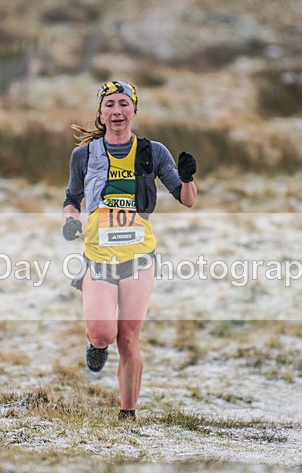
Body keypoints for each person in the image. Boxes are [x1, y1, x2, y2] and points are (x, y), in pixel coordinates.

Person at [61, 80, 198, 421]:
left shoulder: (153, 152)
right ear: (101, 112)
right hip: (99, 255)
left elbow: (187, 199)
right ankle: (95, 345)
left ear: (134, 109)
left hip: (139, 256)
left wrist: (189, 177)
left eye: (124, 103)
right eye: (110, 105)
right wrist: (70, 220)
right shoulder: (84, 155)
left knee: (128, 339)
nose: (117, 111)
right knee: (104, 333)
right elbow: (71, 198)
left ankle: (128, 414)